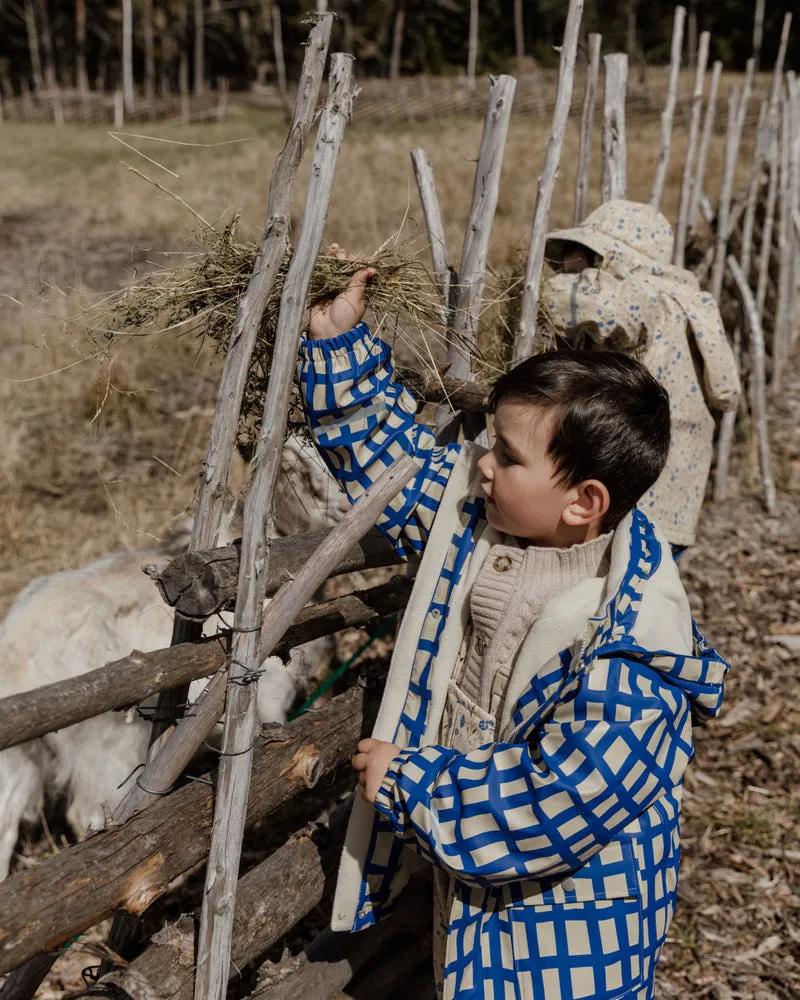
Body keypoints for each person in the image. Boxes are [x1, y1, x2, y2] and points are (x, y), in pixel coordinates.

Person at [300, 263, 729, 1000]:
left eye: (506, 455)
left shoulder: (632, 650)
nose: (482, 465)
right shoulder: (482, 526)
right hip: (483, 900)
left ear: (582, 502)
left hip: (571, 939)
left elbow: (558, 802)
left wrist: (411, 780)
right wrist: (340, 347)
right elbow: (394, 460)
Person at [541, 199, 740, 551]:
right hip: (674, 493)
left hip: (638, 494)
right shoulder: (685, 299)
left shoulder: (642, 296)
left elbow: (580, 304)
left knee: (617, 591)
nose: (563, 264)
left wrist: (539, 289)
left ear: (605, 258)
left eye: (575, 253)